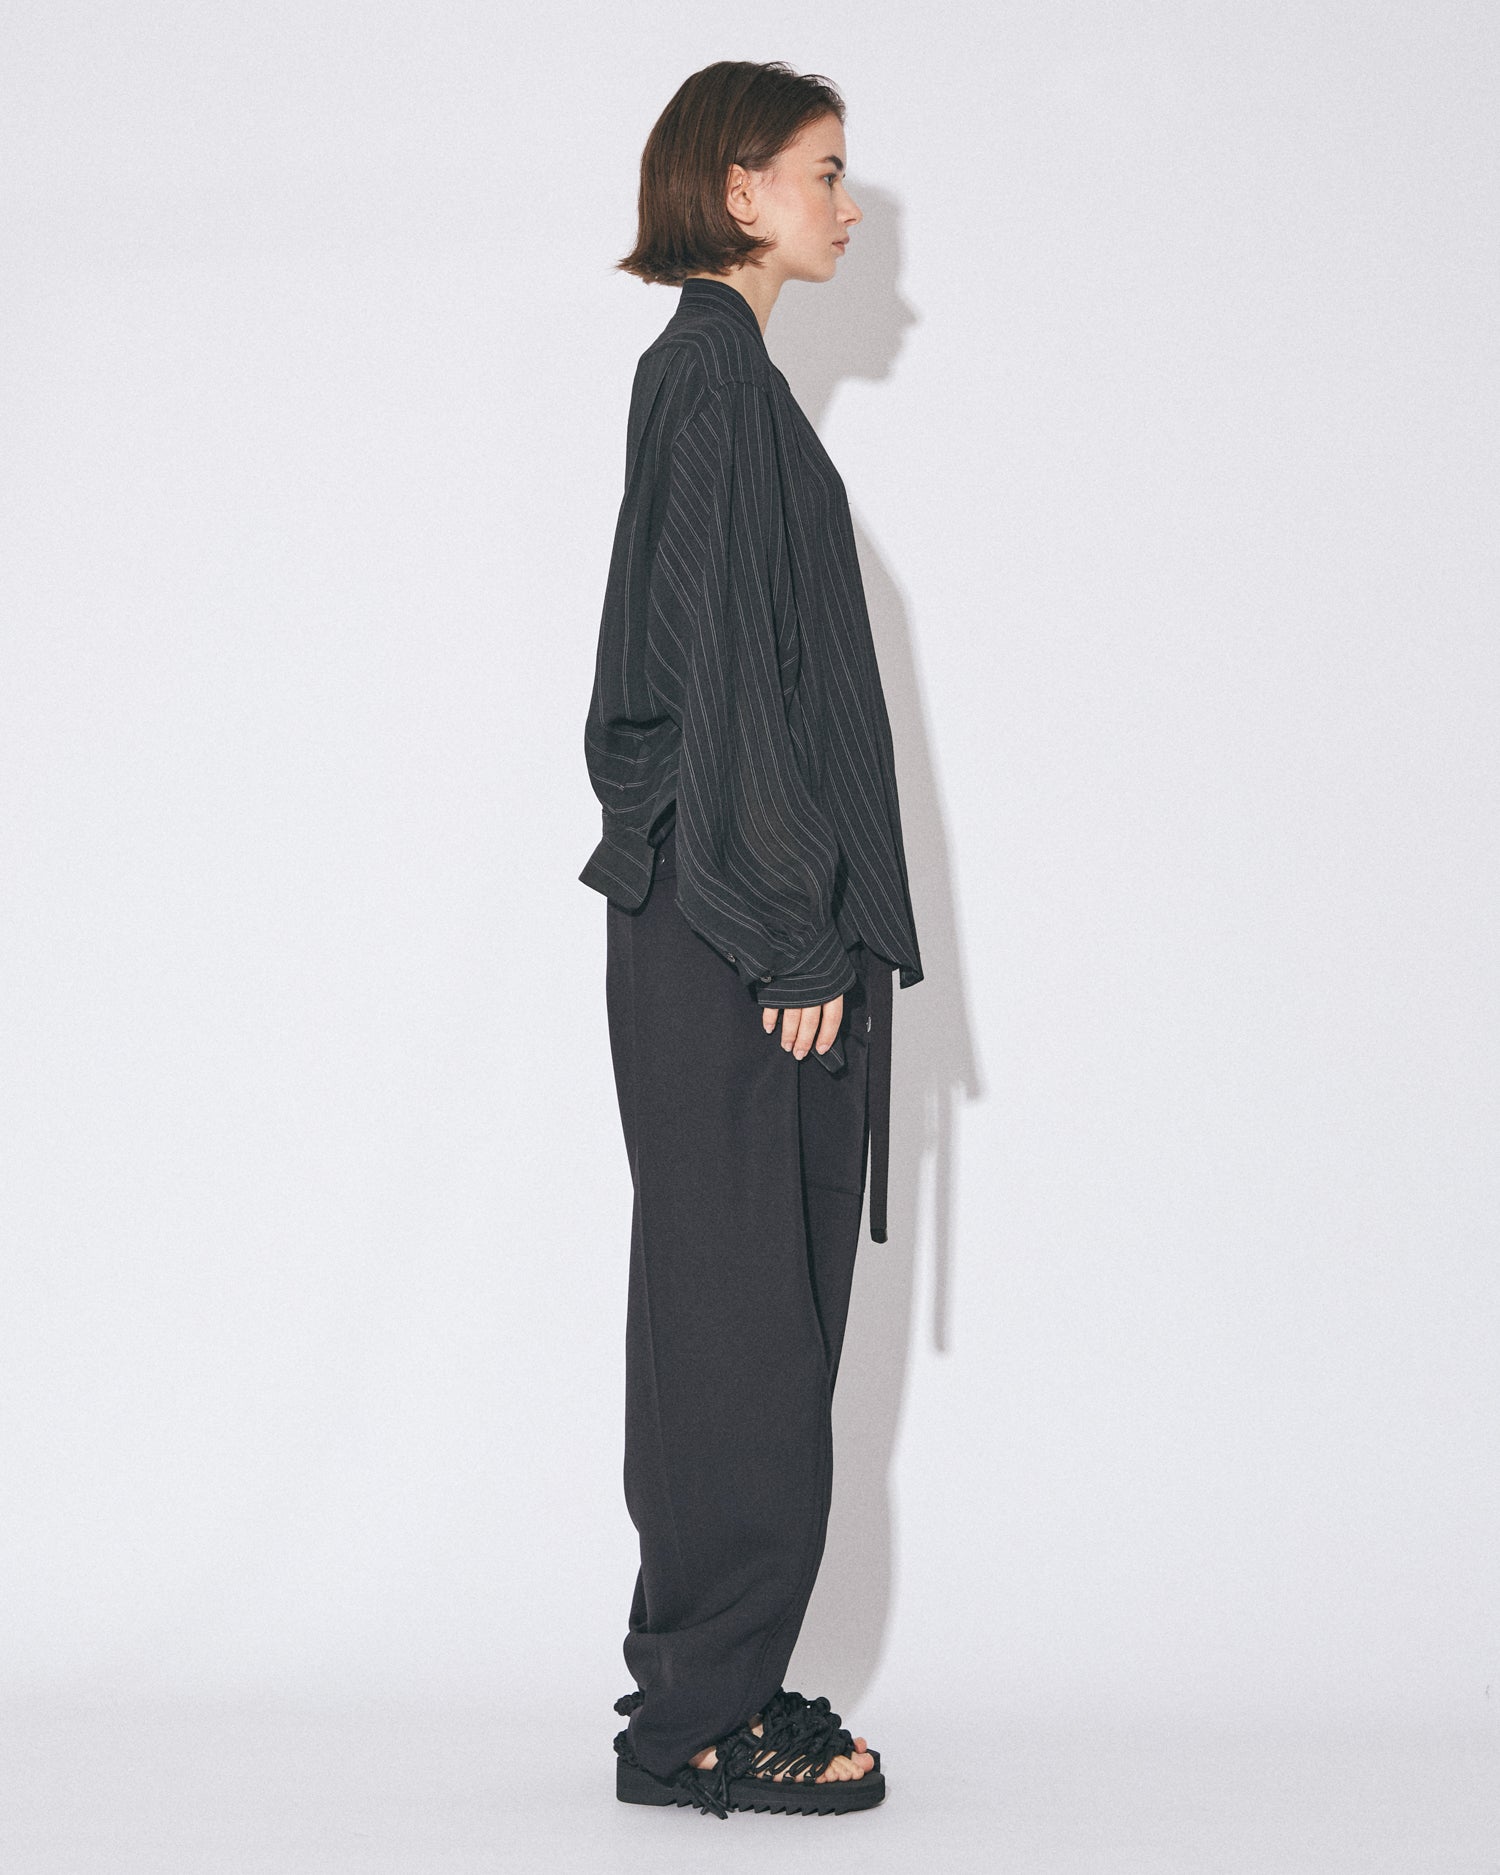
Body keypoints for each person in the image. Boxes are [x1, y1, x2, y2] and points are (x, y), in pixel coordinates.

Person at [578, 58, 924, 1820]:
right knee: (740, 1336)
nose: (847, 206)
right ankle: (698, 1725)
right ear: (737, 190)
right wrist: (793, 937)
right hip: (737, 931)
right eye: (824, 171)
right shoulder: (711, 379)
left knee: (745, 1325)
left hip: (729, 919)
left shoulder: (724, 380)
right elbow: (716, 688)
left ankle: (709, 1688)